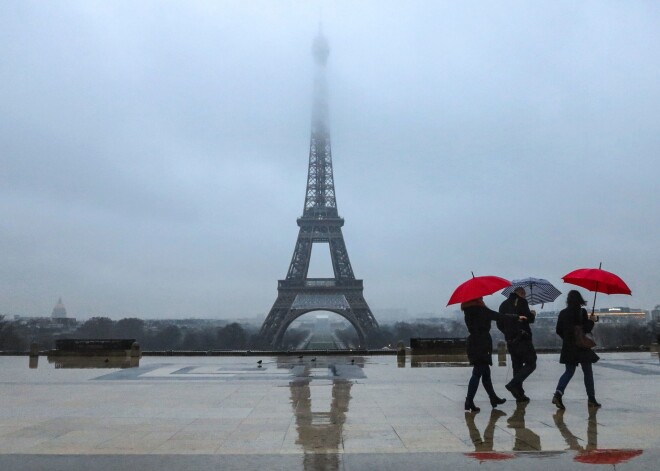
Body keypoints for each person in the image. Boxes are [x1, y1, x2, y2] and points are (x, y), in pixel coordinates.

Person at [462, 297, 526, 412]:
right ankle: (469, 400)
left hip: (473, 342)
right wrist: (517, 317)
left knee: (485, 372)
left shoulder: (467, 311)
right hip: (482, 343)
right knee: (477, 372)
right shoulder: (481, 310)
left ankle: (493, 398)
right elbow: (499, 316)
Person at [552, 290, 601, 409]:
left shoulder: (563, 313)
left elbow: (558, 330)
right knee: (587, 372)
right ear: (580, 299)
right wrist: (592, 320)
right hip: (582, 347)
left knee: (569, 371)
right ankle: (591, 399)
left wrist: (568, 339)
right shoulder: (581, 312)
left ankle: (558, 393)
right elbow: (586, 329)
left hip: (569, 347)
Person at [497, 287, 537, 402]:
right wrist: (532, 314)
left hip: (511, 340)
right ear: (520, 293)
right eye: (524, 293)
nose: (525, 295)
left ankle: (519, 394)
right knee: (531, 363)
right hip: (523, 339)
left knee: (517, 366)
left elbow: (500, 323)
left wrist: (508, 333)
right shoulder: (522, 302)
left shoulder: (503, 304)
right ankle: (513, 384)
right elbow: (528, 318)